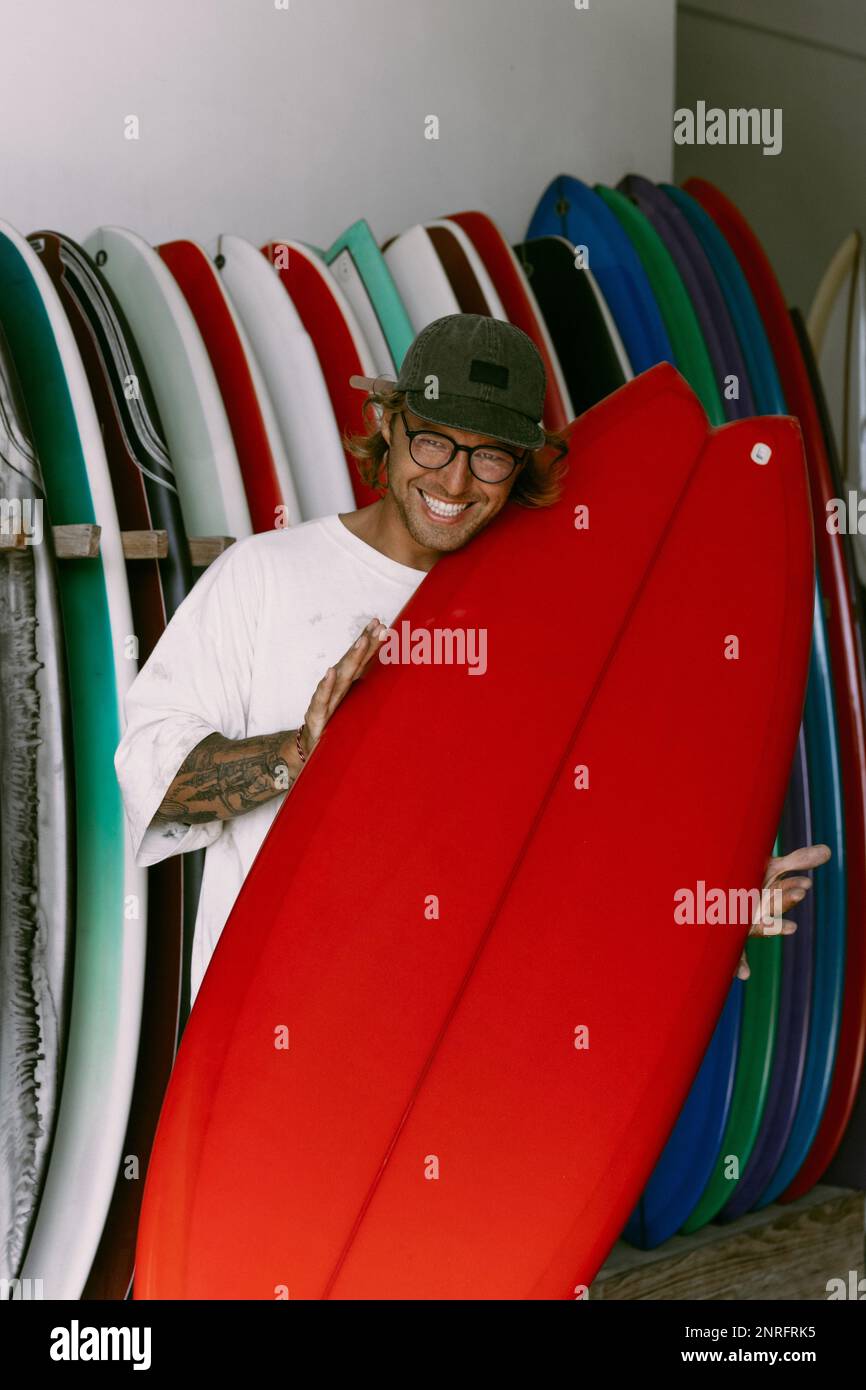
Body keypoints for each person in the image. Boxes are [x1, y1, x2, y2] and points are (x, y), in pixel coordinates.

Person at [114, 312, 828, 1006]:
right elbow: (150, 780)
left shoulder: (548, 617)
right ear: (388, 425)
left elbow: (578, 832)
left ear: (521, 464)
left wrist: (706, 909)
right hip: (283, 1032)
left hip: (464, 1044)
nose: (455, 484)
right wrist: (298, 755)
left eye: (488, 454)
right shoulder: (262, 576)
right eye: (433, 442)